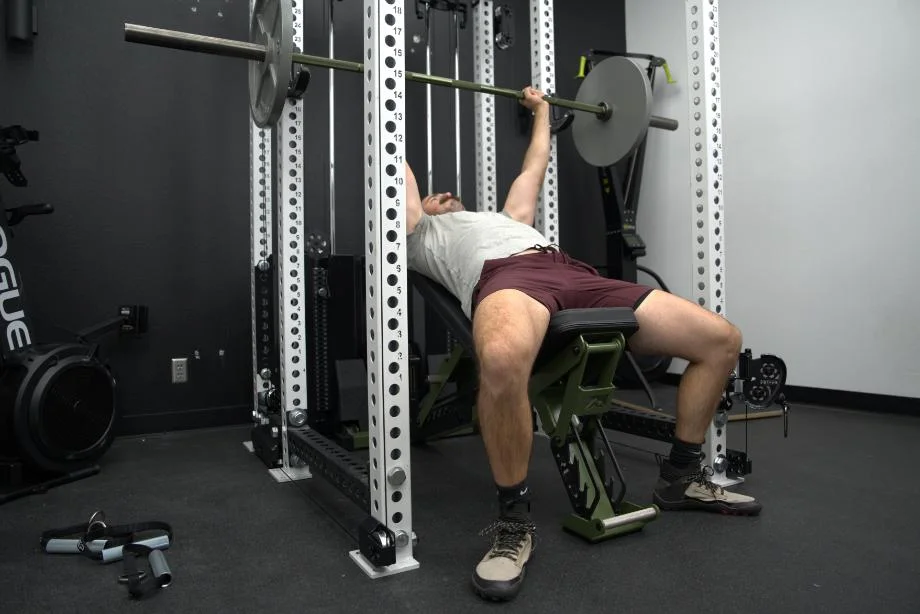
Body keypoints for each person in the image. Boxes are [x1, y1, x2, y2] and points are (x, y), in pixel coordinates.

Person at [403, 86, 760, 602]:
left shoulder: (507, 219)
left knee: (721, 339)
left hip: (571, 271)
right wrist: (383, 84)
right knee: (501, 360)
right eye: (438, 197)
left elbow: (535, 165)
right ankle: (513, 523)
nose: (447, 197)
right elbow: (400, 172)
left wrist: (544, 112)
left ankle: (680, 478)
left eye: (449, 196)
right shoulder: (421, 234)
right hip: (507, 282)